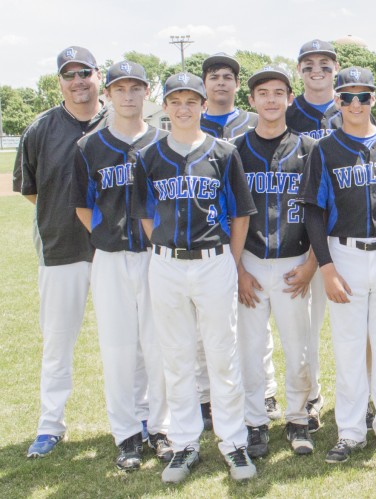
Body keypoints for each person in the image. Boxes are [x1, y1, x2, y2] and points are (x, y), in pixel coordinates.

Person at [132, 72, 258, 483]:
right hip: (166, 263)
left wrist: (229, 260)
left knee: (222, 354)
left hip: (214, 260)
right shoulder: (149, 157)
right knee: (177, 356)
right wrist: (166, 249)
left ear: (204, 105)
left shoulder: (224, 152)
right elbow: (147, 215)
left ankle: (233, 442)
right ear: (165, 107)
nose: (183, 108)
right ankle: (185, 444)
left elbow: (240, 214)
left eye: (191, 100)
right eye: (175, 101)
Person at [299, 66, 376, 463]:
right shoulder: (324, 149)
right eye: (347, 96)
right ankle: (350, 431)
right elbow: (313, 213)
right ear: (337, 101)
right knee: (349, 347)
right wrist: (327, 267)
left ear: (374, 99)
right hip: (344, 252)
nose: (355, 103)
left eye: (363, 96)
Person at [69, 60, 171, 470]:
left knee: (160, 345)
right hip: (110, 257)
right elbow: (81, 205)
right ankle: (127, 433)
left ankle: (162, 428)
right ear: (107, 94)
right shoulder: (89, 146)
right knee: (117, 347)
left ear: (147, 93)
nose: (128, 96)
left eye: (136, 88)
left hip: (156, 256)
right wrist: (105, 233)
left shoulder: (164, 142)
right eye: (120, 89)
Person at [16, 46, 109, 459]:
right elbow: (32, 190)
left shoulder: (122, 121)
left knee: (130, 341)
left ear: (98, 75)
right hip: (60, 248)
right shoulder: (41, 129)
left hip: (116, 250)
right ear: (60, 82)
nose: (77, 81)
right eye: (68, 75)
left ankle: (142, 418)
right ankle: (50, 425)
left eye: (83, 72)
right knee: (57, 342)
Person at [233, 66, 319, 458]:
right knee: (249, 349)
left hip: (295, 260)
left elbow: (323, 212)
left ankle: (298, 419)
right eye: (262, 93)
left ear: (289, 98)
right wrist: (236, 270)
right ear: (251, 100)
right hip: (250, 261)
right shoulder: (233, 149)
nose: (270, 99)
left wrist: (311, 265)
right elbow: (228, 214)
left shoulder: (309, 149)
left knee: (299, 347)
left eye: (278, 92)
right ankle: (254, 423)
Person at [197, 52, 274, 428]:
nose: (221, 82)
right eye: (214, 76)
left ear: (237, 86)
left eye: (228, 76)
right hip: (206, 229)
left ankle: (267, 391)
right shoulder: (192, 118)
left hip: (248, 226)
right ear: (205, 84)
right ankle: (205, 396)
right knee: (207, 323)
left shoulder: (249, 124)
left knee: (254, 322)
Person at [284, 38, 335, 432]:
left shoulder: (352, 104)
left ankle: (365, 396)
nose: (317, 71)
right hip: (304, 234)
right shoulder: (288, 113)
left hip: (350, 231)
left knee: (357, 325)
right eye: (309, 65)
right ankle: (311, 395)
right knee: (306, 325)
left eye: (325, 65)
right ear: (299, 71)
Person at [200, 53, 258, 139]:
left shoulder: (257, 122)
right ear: (203, 84)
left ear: (237, 84)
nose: (221, 83)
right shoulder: (191, 125)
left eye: (227, 77)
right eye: (214, 78)